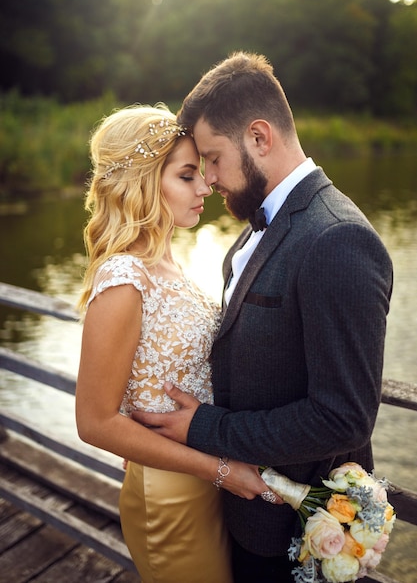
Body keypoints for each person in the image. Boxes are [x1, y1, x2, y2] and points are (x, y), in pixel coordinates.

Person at [131, 53, 394, 582]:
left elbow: (343, 417)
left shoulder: (338, 239)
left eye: (212, 158)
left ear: (258, 137)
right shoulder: (256, 229)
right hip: (242, 519)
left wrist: (205, 428)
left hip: (296, 536)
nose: (207, 178)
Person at [75, 103, 270, 583]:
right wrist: (221, 470)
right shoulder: (124, 279)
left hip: (202, 478)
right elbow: (94, 422)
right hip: (171, 495)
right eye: (187, 176)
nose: (206, 186)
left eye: (201, 173)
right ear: (144, 183)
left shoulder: (166, 265)